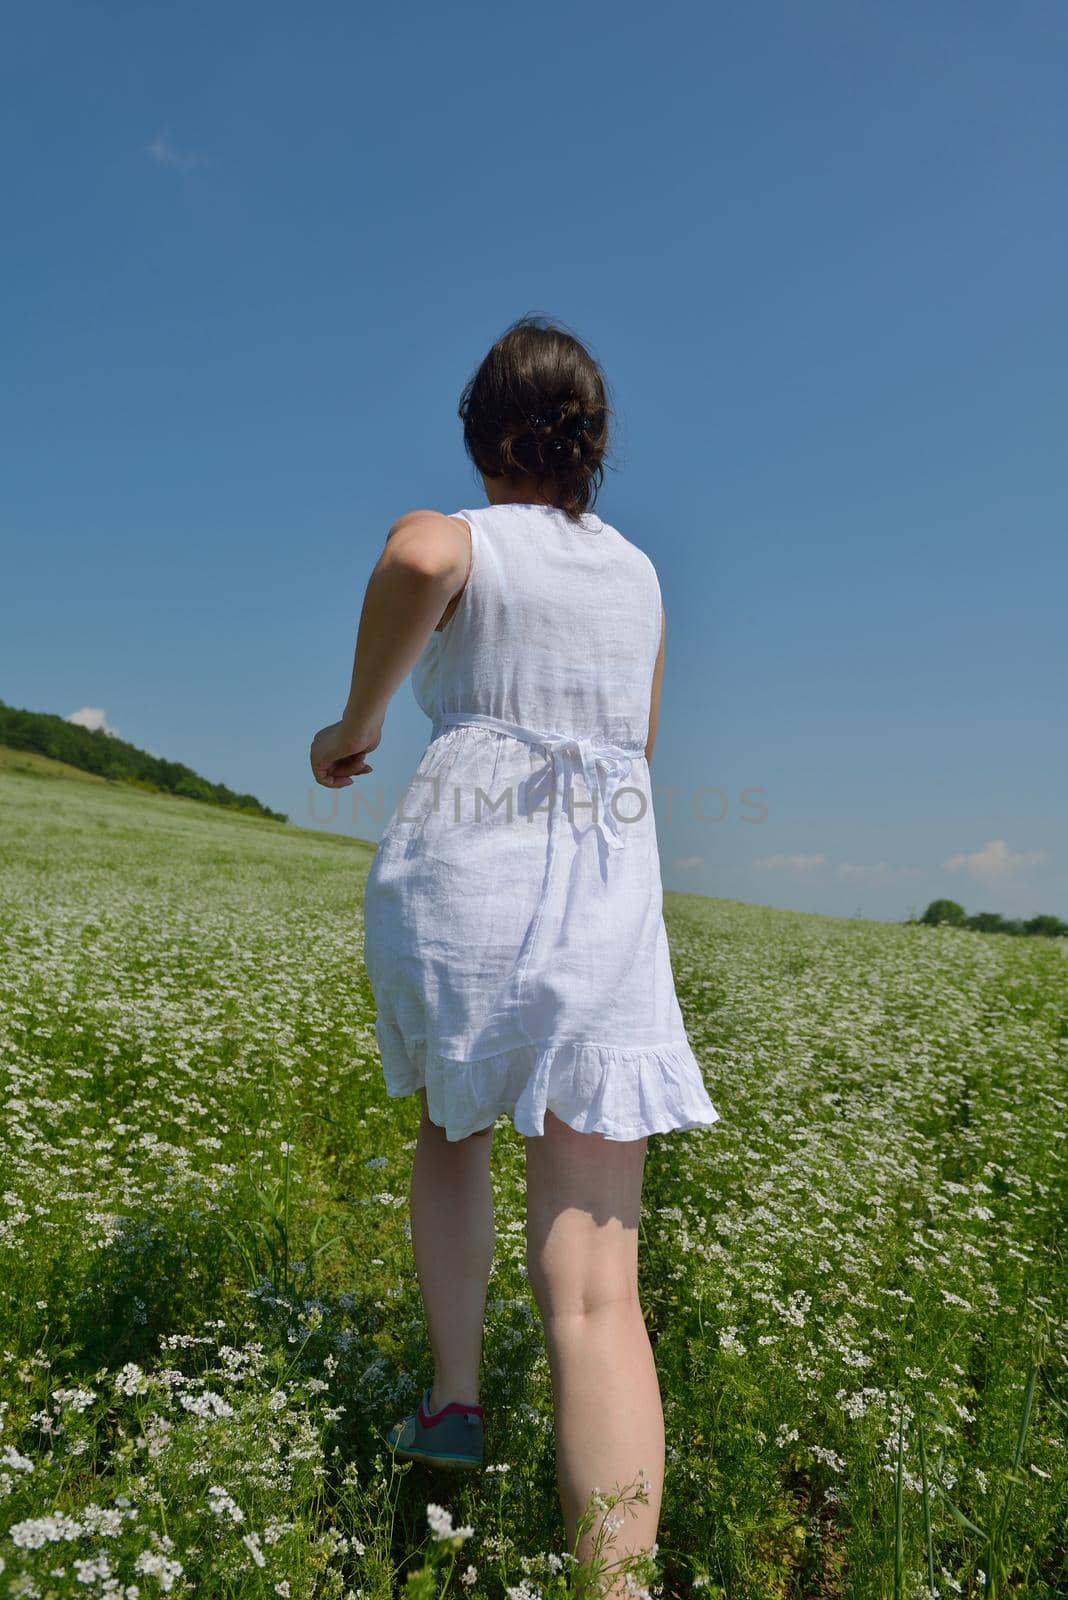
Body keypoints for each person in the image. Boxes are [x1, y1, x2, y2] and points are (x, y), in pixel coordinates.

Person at [310, 314, 720, 1593]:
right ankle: (616, 1581)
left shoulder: (472, 533)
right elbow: (634, 751)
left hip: (469, 887)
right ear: (596, 449)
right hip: (605, 896)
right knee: (597, 1273)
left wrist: (355, 719)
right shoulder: (644, 576)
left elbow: (419, 549)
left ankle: (454, 1401)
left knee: (454, 1130)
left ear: (487, 438)